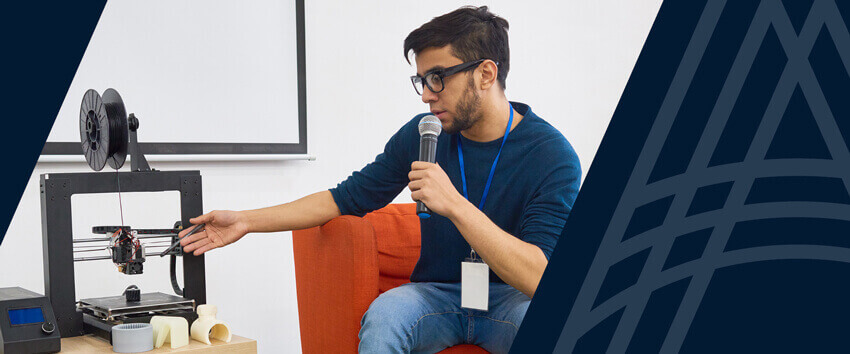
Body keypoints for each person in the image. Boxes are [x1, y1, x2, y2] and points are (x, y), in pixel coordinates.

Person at [179, 6, 580, 353]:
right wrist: (247, 221)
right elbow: (343, 198)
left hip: (511, 299)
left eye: (438, 77)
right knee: (386, 316)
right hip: (435, 295)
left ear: (486, 74)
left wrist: (454, 204)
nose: (426, 94)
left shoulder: (550, 155)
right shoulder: (424, 133)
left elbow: (540, 278)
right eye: (422, 80)